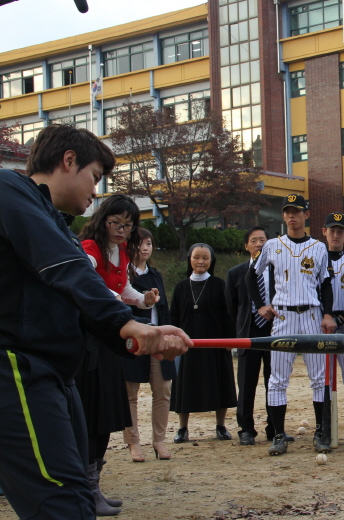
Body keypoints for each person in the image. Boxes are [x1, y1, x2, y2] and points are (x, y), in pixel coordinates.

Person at [0, 124, 189, 520]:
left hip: (53, 374)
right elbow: (68, 270)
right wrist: (127, 323)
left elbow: (84, 303)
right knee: (63, 504)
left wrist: (142, 336)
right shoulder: (9, 189)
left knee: (78, 498)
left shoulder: (57, 227)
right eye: (95, 177)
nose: (95, 191)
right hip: (17, 369)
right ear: (68, 161)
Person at [78, 193, 161, 516]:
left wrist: (143, 300)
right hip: (88, 341)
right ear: (102, 219)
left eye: (128, 225)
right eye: (115, 223)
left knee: (106, 415)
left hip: (110, 338)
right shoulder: (88, 249)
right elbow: (89, 286)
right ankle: (85, 488)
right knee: (90, 413)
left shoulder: (123, 251)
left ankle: (94, 483)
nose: (121, 230)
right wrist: (118, 300)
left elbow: (123, 289)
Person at [247, 194, 337, 456]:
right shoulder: (273, 245)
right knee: (277, 379)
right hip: (283, 316)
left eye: (296, 211)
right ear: (283, 215)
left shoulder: (319, 247)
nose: (291, 216)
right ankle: (278, 434)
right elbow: (252, 276)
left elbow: (327, 284)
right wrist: (260, 304)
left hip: (310, 314)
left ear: (306, 215)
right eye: (287, 211)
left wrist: (328, 314)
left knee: (319, 378)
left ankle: (321, 431)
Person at [170, 243, 237, 443]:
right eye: (196, 257)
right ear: (189, 259)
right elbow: (174, 317)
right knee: (185, 387)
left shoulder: (219, 284)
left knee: (220, 384)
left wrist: (229, 339)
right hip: (187, 345)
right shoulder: (181, 287)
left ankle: (221, 426)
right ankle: (182, 428)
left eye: (205, 258)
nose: (200, 261)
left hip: (215, 344)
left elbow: (228, 315)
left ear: (211, 261)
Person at [123, 228, 177, 461]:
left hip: (157, 339)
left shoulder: (156, 274)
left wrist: (166, 337)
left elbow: (164, 309)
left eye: (148, 244)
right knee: (130, 392)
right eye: (139, 243)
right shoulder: (123, 274)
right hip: (133, 339)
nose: (144, 248)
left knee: (163, 390)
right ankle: (133, 442)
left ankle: (159, 440)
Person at [225, 226, 278, 446]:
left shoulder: (277, 270)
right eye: (254, 240)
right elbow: (231, 306)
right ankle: (246, 429)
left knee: (274, 383)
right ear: (246, 246)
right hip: (248, 333)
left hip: (275, 333)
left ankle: (274, 428)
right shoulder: (235, 273)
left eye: (262, 240)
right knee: (246, 384)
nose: (258, 244)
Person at [319, 213, 344, 445]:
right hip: (322, 324)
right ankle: (325, 427)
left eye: (340, 231)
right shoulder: (315, 258)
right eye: (331, 230)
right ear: (324, 232)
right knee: (323, 381)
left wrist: (342, 316)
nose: (335, 234)